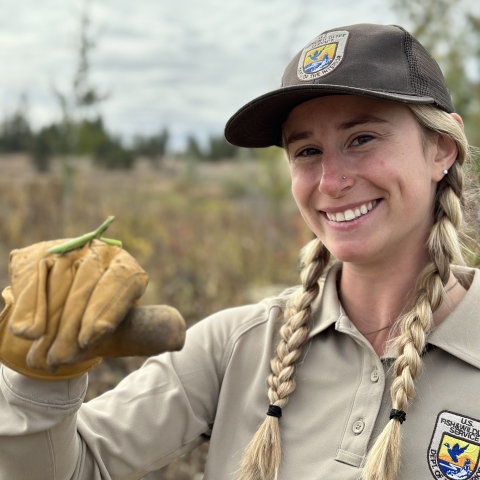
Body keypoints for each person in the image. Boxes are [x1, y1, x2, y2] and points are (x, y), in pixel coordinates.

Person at [0, 23, 477, 480]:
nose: (331, 181)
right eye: (307, 151)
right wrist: (38, 385)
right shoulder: (236, 347)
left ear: (440, 149)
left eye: (362, 139)